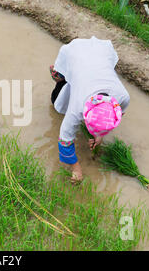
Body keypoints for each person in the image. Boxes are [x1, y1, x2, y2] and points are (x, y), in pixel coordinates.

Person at [49, 36, 130, 184]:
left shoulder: (122, 97)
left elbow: (114, 118)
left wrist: (99, 136)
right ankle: (57, 74)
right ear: (84, 114)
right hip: (75, 55)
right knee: (57, 100)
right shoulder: (77, 107)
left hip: (99, 56)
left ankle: (62, 74)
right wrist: (76, 169)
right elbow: (65, 140)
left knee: (79, 78)